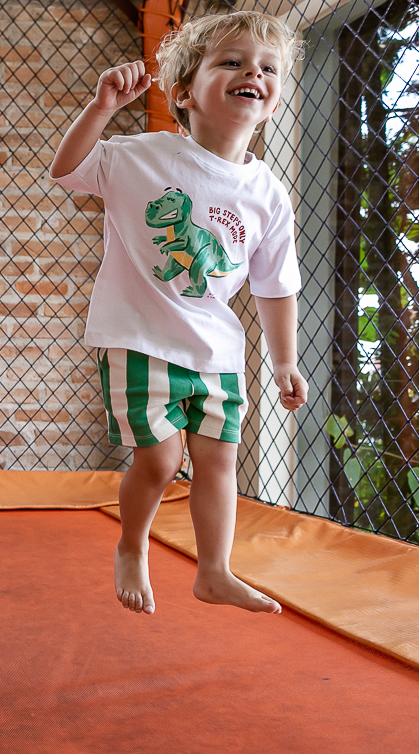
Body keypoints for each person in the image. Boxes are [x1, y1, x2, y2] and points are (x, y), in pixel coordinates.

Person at [48, 11, 308, 616]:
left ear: (272, 101)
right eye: (233, 62)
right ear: (186, 92)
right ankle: (132, 544)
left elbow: (274, 284)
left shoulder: (267, 192)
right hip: (141, 337)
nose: (253, 73)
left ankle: (214, 571)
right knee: (161, 459)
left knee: (219, 461)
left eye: (267, 68)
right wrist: (101, 108)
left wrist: (284, 359)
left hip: (216, 347)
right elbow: (66, 171)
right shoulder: (144, 157)